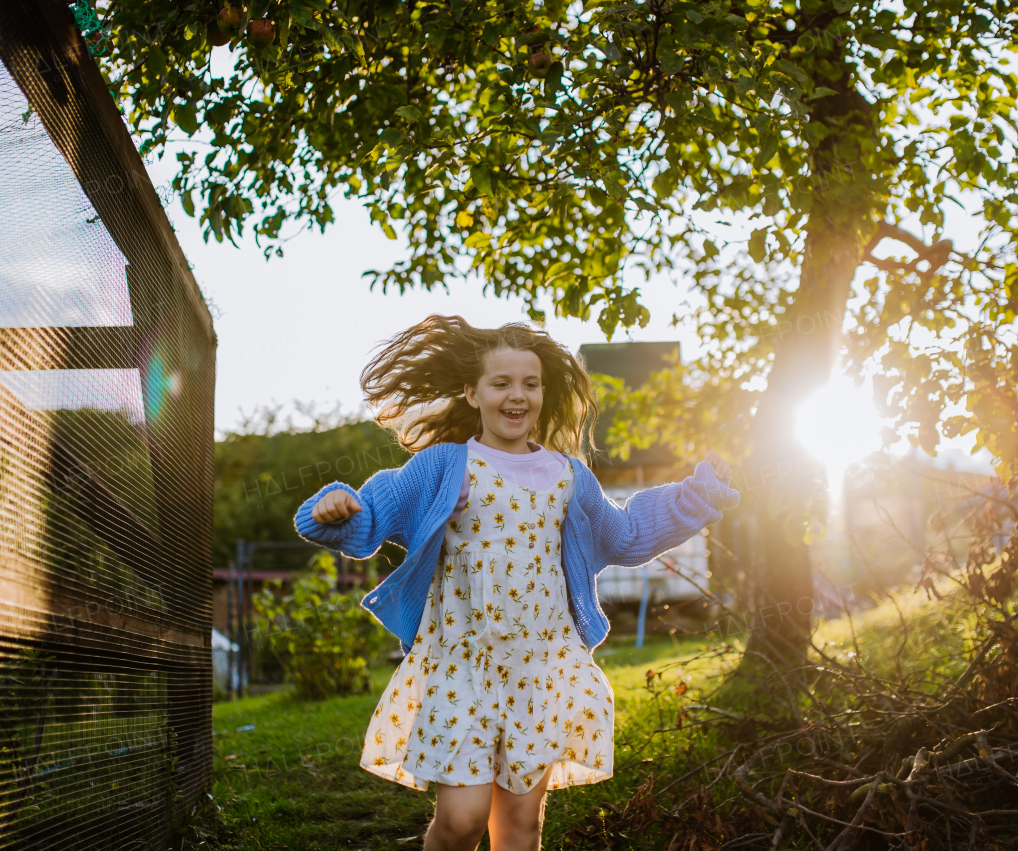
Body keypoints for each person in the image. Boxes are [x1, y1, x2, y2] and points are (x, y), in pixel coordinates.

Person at [295, 316, 738, 851]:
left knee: (521, 828)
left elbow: (625, 534)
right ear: (472, 391)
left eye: (529, 384)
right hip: (462, 664)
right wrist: (337, 512)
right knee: (461, 819)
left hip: (542, 667)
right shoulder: (443, 467)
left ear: (543, 393)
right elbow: (375, 512)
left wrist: (694, 498)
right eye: (500, 383)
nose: (516, 396)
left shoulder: (567, 475)